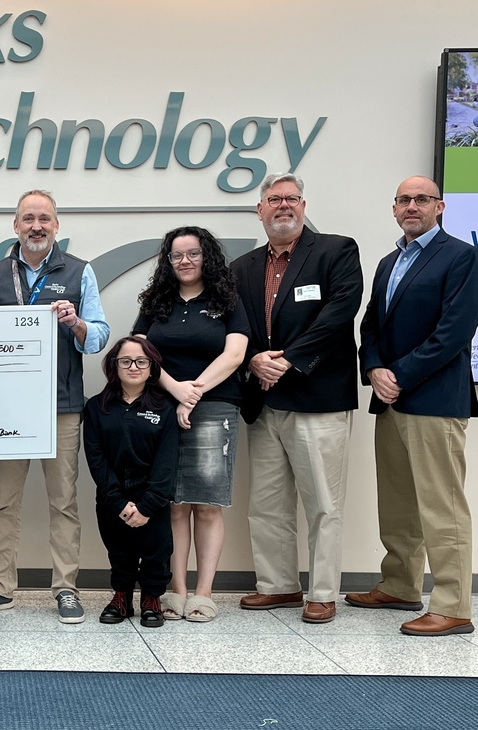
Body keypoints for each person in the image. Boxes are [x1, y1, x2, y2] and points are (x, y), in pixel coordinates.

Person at [0, 189, 109, 624]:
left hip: (61, 407)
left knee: (63, 501)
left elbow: (99, 336)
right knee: (4, 501)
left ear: (57, 225)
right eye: (28, 218)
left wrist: (77, 323)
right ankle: (1, 586)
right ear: (15, 226)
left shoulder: (79, 272)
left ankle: (66, 587)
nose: (36, 226)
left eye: (44, 218)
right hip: (7, 409)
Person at [347, 176, 478, 636]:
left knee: (442, 506)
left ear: (439, 207)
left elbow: (454, 333)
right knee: (399, 503)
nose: (412, 206)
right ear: (394, 208)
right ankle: (401, 585)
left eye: (422, 199)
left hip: (436, 401)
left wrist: (397, 374)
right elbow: (371, 327)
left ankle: (454, 605)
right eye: (404, 199)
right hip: (391, 400)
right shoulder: (389, 261)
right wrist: (374, 369)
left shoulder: (461, 256)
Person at [231, 172, 362, 625]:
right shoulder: (242, 267)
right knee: (266, 504)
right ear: (260, 210)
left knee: (324, 503)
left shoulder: (336, 251)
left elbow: (338, 314)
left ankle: (322, 592)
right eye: (273, 199)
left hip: (317, 396)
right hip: (264, 401)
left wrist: (286, 360)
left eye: (291, 198)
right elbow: (236, 327)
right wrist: (252, 360)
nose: (282, 206)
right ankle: (278, 585)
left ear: (303, 206)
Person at [132, 226, 248, 623]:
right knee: (174, 505)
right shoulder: (157, 302)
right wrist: (175, 391)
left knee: (207, 504)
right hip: (163, 408)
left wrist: (193, 393)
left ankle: (204, 593)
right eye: (177, 255)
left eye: (193, 254)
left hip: (215, 407)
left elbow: (235, 355)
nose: (184, 261)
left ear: (207, 257)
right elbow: (139, 351)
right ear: (168, 261)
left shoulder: (226, 300)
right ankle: (176, 591)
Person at [83, 336, 178, 627]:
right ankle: (121, 596)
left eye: (141, 361)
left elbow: (166, 462)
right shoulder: (97, 408)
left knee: (156, 550)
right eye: (125, 361)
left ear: (152, 368)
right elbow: (96, 459)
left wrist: (148, 506)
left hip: (153, 496)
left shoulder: (165, 408)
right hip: (113, 495)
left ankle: (151, 598)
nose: (133, 367)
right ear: (114, 366)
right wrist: (118, 502)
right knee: (119, 550)